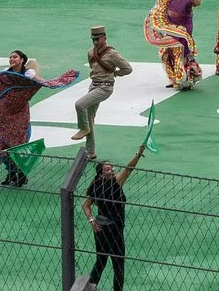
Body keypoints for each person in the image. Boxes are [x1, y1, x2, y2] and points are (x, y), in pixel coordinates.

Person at [84, 143, 145, 291]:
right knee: (118, 264)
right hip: (114, 228)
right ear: (101, 173)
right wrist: (138, 154)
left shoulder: (95, 185)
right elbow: (129, 169)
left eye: (111, 167)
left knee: (101, 261)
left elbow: (86, 205)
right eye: (107, 169)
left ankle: (89, 287)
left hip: (100, 228)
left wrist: (92, 220)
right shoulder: (116, 182)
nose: (111, 169)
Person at [73, 24, 135, 148]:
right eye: (93, 40)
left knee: (79, 104)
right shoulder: (90, 53)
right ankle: (90, 151)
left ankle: (83, 128)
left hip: (105, 87)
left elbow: (127, 69)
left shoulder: (112, 53)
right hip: (93, 86)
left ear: (104, 38)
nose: (95, 42)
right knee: (89, 118)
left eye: (98, 39)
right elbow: (94, 68)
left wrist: (115, 74)